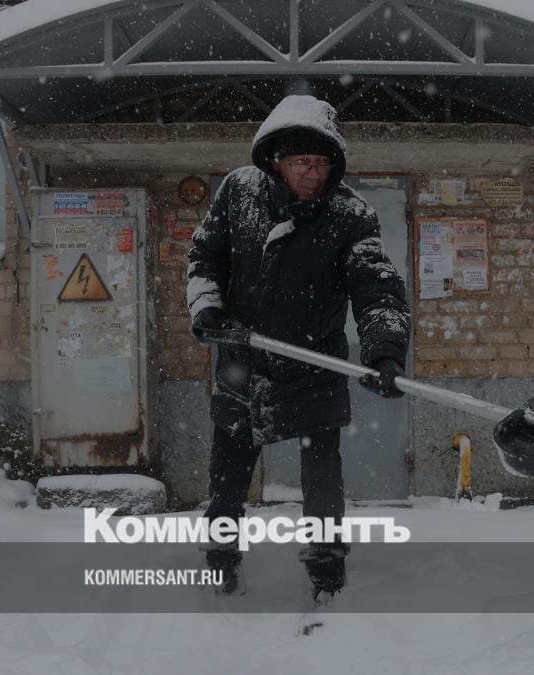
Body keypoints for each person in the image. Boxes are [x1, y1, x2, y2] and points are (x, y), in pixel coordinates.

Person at [185, 94, 411, 599]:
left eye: (322, 162)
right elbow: (205, 257)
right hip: (243, 361)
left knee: (322, 477)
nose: (312, 173)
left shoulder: (351, 215)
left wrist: (385, 352)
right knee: (228, 474)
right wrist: (208, 308)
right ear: (276, 161)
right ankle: (221, 558)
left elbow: (376, 288)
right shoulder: (239, 192)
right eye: (301, 162)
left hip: (315, 364)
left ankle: (327, 573)